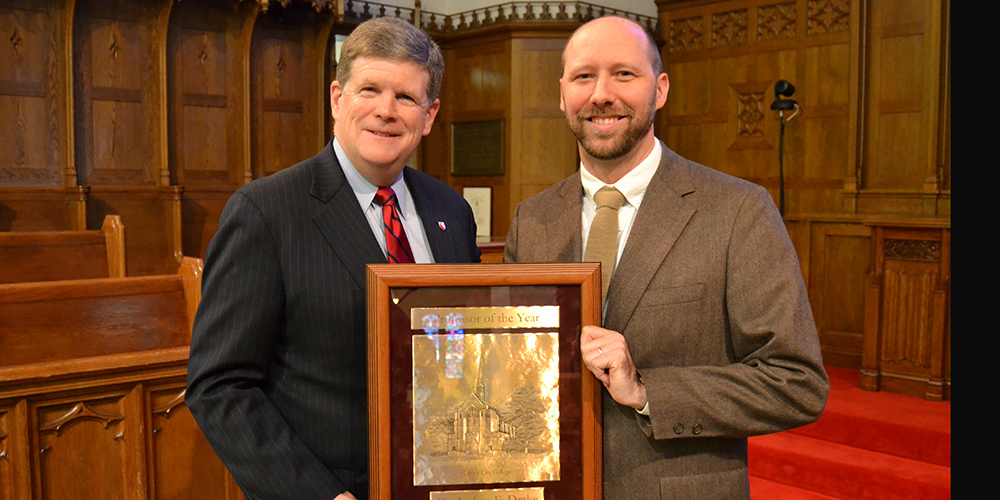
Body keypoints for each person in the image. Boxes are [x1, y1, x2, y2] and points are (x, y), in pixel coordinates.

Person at [504, 16, 828, 500]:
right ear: (561, 93)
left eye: (624, 75)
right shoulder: (531, 219)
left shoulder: (737, 210)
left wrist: (648, 391)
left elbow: (796, 383)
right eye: (584, 76)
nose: (601, 94)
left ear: (660, 89)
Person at [186, 17, 481, 500]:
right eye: (369, 90)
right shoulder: (266, 211)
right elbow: (219, 386)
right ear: (337, 99)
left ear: (429, 115)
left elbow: (460, 345)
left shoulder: (451, 211)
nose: (386, 111)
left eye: (406, 97)